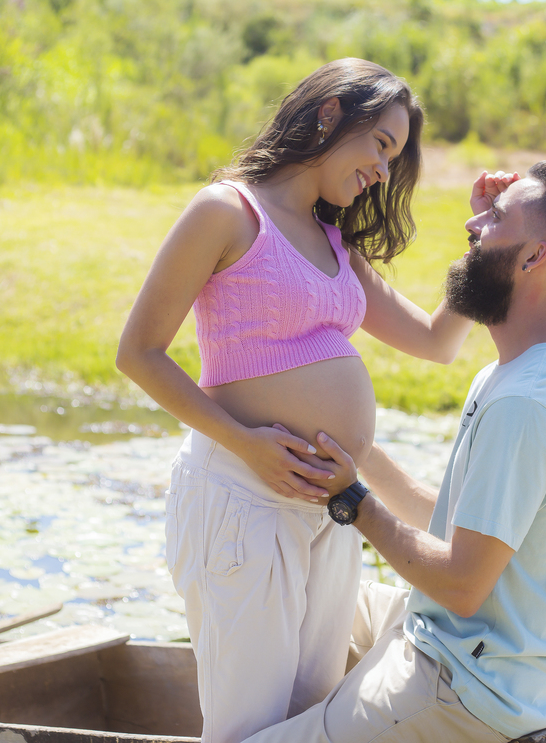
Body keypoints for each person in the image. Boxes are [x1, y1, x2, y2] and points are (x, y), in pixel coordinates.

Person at [115, 57, 518, 743]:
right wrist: (247, 444)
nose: (384, 173)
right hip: (242, 503)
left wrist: (488, 236)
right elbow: (139, 353)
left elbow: (435, 340)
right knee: (249, 730)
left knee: (309, 727)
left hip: (330, 513)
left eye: (394, 158)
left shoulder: (335, 240)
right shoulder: (227, 212)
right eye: (381, 146)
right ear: (331, 112)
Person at [245, 161, 546, 743]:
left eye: (493, 220)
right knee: (295, 592)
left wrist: (354, 502)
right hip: (460, 641)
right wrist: (356, 453)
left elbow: (461, 585)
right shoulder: (520, 372)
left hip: (468, 684)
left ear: (532, 259)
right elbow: (450, 525)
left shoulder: (525, 405)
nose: (472, 224)